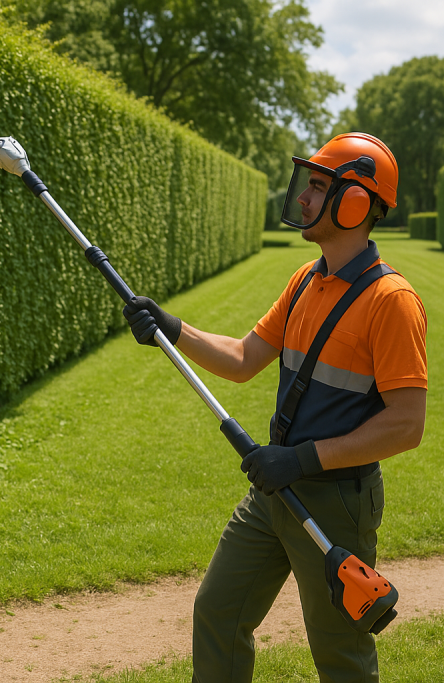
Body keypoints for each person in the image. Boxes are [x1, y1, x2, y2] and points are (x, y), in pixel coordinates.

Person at [123, 132, 427, 682]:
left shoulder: (392, 302)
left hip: (335, 500)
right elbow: (243, 358)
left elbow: (407, 425)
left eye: (318, 187)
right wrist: (172, 328)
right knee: (218, 611)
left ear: (356, 202)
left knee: (341, 656)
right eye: (306, 185)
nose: (304, 198)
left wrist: (303, 460)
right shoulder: (305, 281)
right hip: (273, 489)